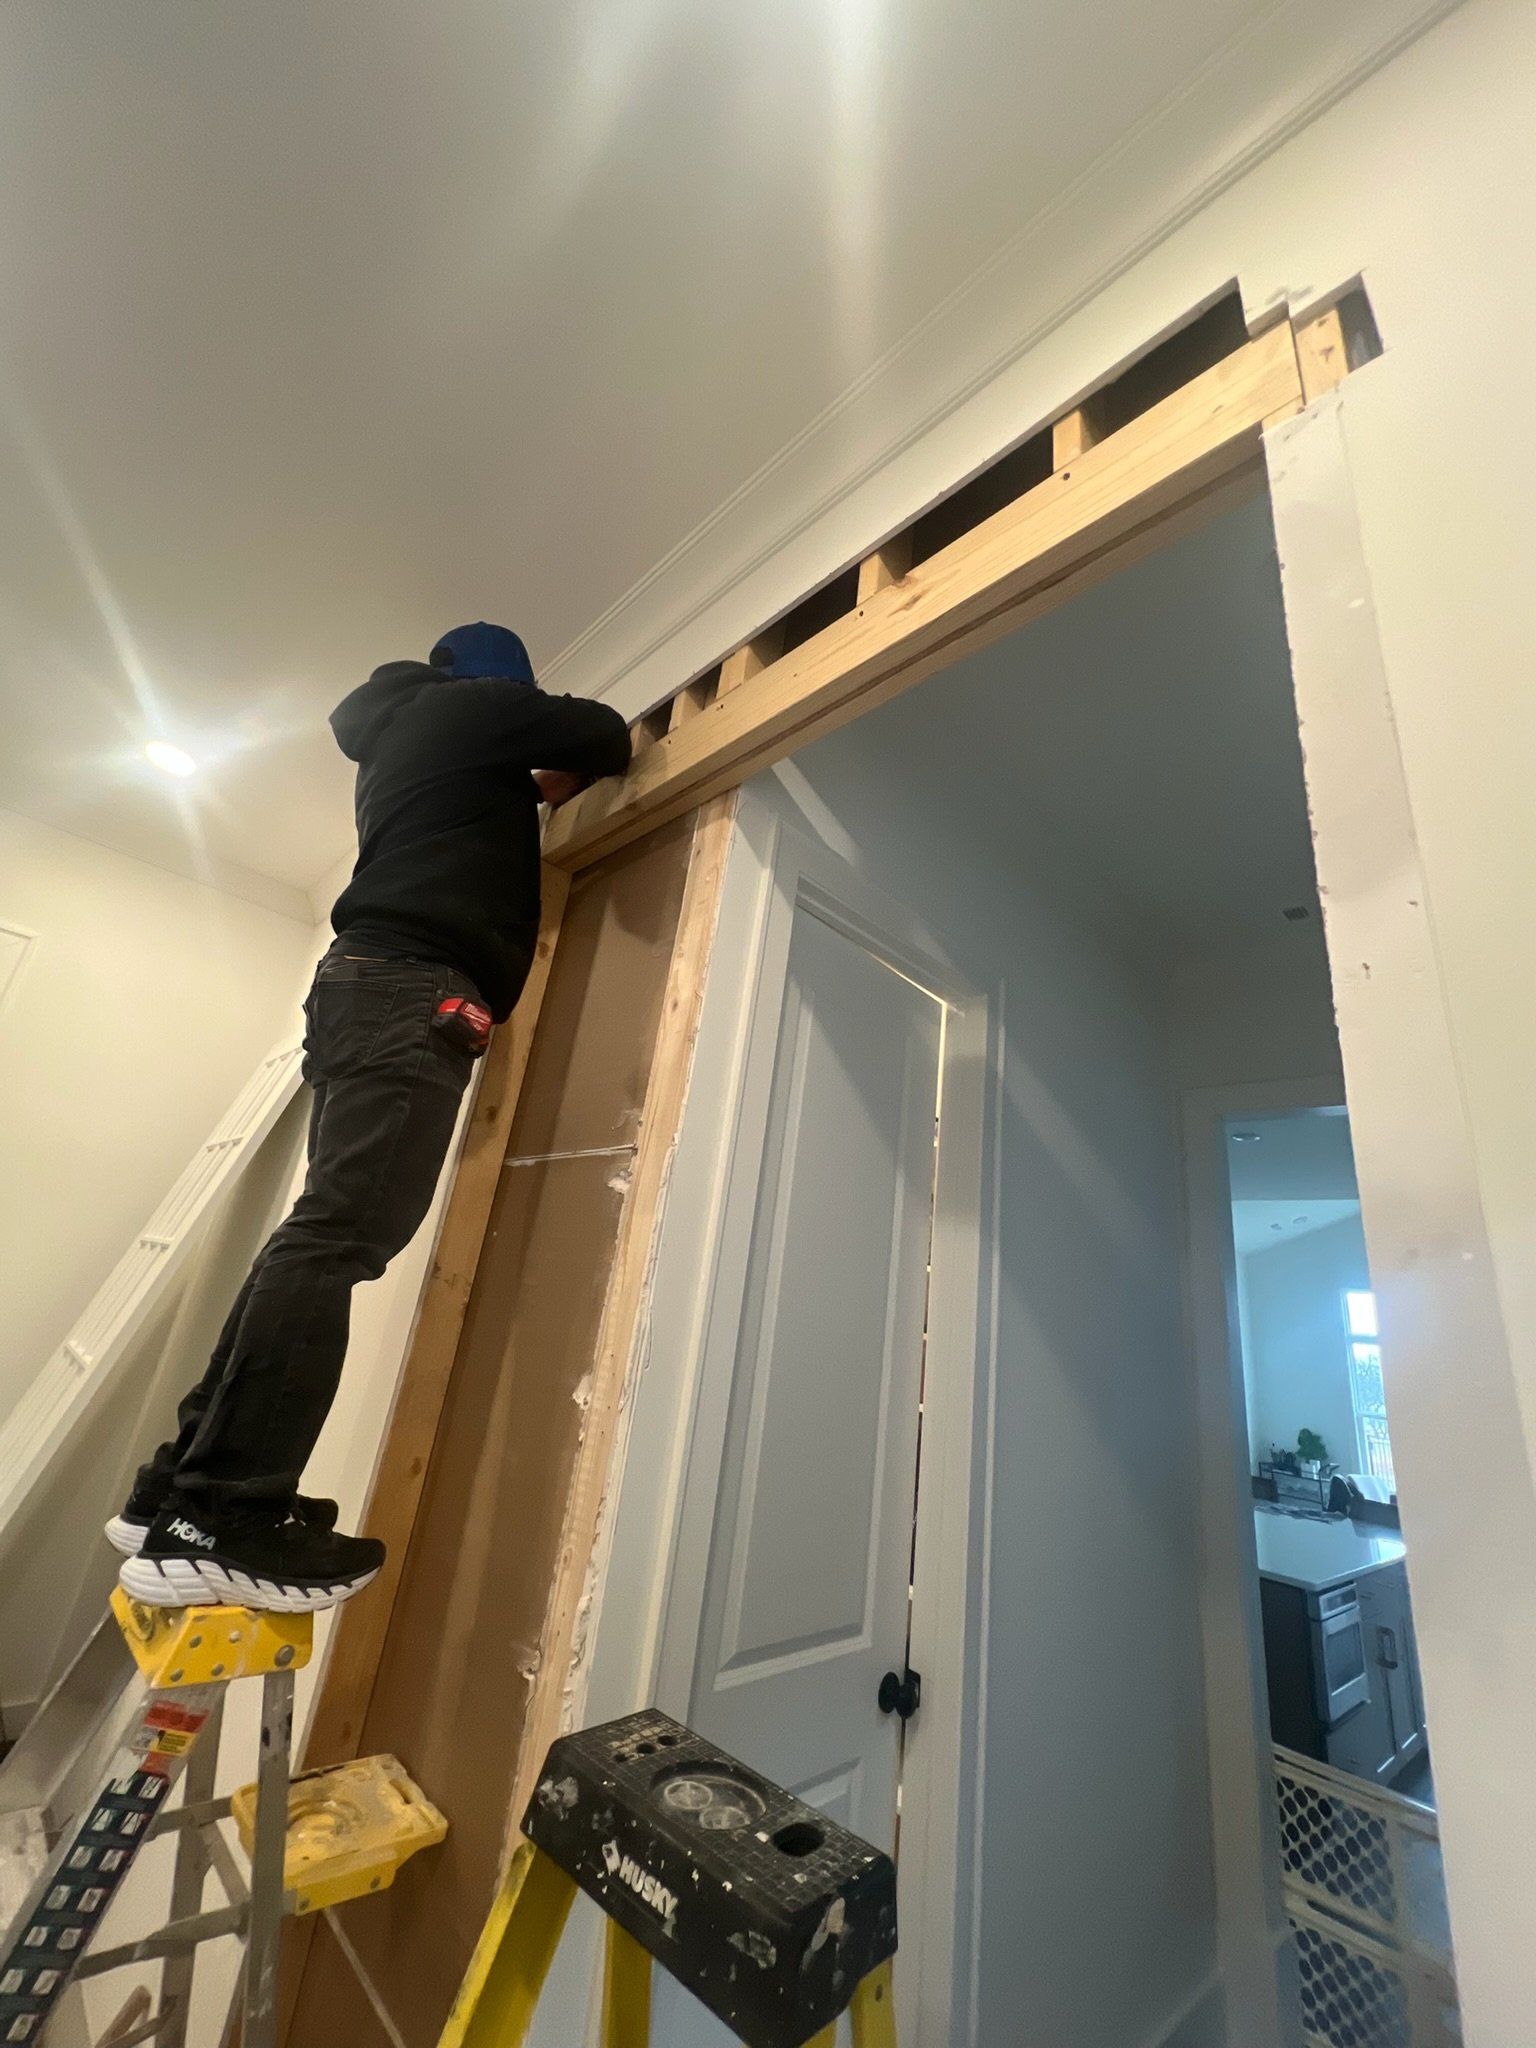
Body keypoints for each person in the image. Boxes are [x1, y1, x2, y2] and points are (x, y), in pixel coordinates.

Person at [110, 623, 631, 1612]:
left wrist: (524, 788)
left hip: (369, 986)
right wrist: (547, 763)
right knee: (340, 1235)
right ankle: (225, 1512)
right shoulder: (467, 709)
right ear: (500, 685)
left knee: (318, 1233)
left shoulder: (413, 739)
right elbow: (602, 733)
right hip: (408, 990)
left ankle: (179, 1489)